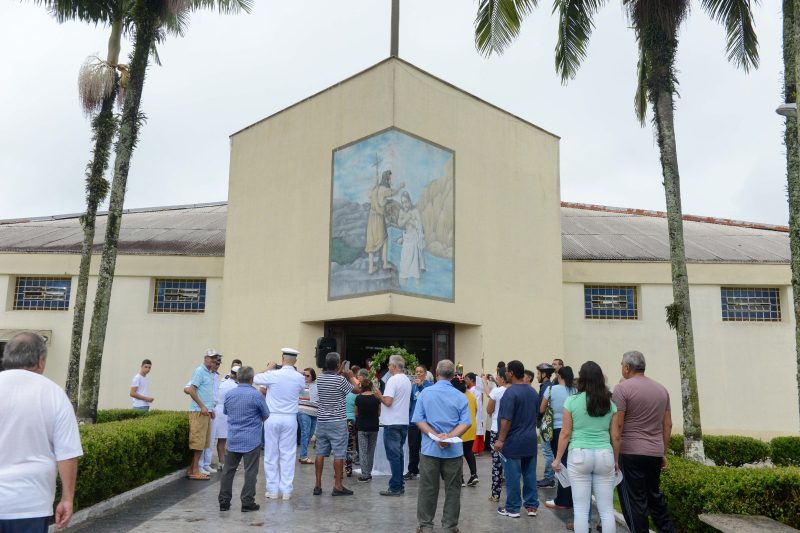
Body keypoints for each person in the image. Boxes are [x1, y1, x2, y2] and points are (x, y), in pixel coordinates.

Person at [0, 332, 83, 531]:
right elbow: (67, 455)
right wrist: (67, 499)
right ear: (40, 361)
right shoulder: (54, 394)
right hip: (30, 504)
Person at [612, 351, 676, 533]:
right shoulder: (661, 390)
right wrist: (663, 452)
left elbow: (618, 427)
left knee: (634, 502)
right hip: (654, 452)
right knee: (655, 498)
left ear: (626, 368)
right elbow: (668, 425)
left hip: (630, 452)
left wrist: (615, 459)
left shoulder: (622, 389)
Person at [553, 361, 619, 533]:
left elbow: (565, 433)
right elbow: (616, 436)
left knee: (581, 511)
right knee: (606, 510)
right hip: (605, 455)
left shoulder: (571, 402)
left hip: (579, 455)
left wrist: (558, 458)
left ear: (581, 378)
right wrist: (616, 461)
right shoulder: (610, 404)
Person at [412, 359, 471, 533]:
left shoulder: (425, 393)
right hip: (453, 451)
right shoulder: (460, 396)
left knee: (427, 488)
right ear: (453, 375)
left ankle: (425, 525)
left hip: (430, 449)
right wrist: (449, 436)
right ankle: (449, 526)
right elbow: (465, 423)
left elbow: (418, 420)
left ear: (436, 373)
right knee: (453, 489)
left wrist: (435, 436)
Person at [253, 347, 306, 500]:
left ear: (282, 358)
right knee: (288, 454)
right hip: (290, 417)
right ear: (295, 360)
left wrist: (268, 368)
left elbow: (255, 378)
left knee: (271, 453)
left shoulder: (273, 374)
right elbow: (301, 391)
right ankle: (286, 490)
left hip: (272, 416)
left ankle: (272, 489)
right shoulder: (299, 377)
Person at [218, 366, 268, 512]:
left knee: (228, 471)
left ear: (238, 378)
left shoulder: (230, 394)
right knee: (250, 472)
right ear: (252, 379)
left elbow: (226, 411)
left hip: (233, 438)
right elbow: (266, 414)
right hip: (251, 439)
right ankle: (247, 502)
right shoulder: (256, 395)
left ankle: (224, 501)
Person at [495, 360, 540, 519]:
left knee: (513, 475)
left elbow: (506, 419)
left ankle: (513, 508)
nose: (505, 373)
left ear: (511, 373)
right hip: (530, 440)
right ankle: (531, 506)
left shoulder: (510, 392)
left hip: (513, 441)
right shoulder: (533, 392)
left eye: (507, 371)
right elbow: (536, 414)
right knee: (530, 475)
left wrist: (500, 440)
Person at [314, 352, 358, 496]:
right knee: (339, 453)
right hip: (337, 420)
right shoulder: (340, 381)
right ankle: (338, 486)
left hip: (322, 420)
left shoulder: (320, 379)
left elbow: (330, 379)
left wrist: (339, 372)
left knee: (320, 452)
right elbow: (357, 390)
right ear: (338, 365)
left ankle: (318, 485)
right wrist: (350, 376)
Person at [374, 354, 412, 496]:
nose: (388, 367)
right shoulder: (406, 380)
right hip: (402, 421)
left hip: (392, 422)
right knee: (399, 455)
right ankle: (399, 483)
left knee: (394, 456)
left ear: (394, 366)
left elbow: (388, 402)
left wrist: (379, 396)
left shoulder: (393, 380)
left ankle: (395, 486)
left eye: (389, 364)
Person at [543, 366, 577, 511]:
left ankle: (562, 499)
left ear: (559, 375)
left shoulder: (551, 389)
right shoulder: (575, 391)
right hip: (573, 430)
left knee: (560, 464)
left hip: (555, 430)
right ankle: (571, 497)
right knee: (570, 463)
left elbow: (541, 409)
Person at [185, 348, 220, 480]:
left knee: (203, 442)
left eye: (214, 358)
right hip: (198, 411)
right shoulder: (200, 371)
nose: (213, 361)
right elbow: (191, 389)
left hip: (206, 412)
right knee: (198, 443)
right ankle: (195, 471)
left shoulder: (211, 373)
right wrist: (202, 406)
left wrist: (210, 409)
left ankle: (193, 469)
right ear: (205, 358)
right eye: (211, 358)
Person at [365, 169, 405, 274]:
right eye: (390, 178)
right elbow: (393, 192)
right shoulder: (384, 189)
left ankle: (370, 268)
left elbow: (369, 195)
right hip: (379, 218)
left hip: (371, 217)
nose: (391, 181)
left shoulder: (375, 189)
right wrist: (401, 186)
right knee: (385, 239)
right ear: (387, 178)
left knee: (371, 241)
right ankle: (385, 263)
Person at [404, 364, 432, 481]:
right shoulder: (413, 386)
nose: (418, 374)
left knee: (425, 446)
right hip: (413, 421)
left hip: (426, 421)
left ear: (425, 374)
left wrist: (421, 387)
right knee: (413, 446)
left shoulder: (429, 386)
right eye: (417, 372)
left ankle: (427, 470)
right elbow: (410, 401)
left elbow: (430, 399)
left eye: (421, 372)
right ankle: (412, 470)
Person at [483, 372, 507, 503]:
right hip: (510, 431)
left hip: (496, 429)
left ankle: (495, 494)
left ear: (503, 378)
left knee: (497, 464)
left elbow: (489, 410)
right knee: (511, 463)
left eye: (498, 376)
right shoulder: (513, 390)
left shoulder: (497, 391)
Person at [452, 377, 478, 487]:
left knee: (458, 454)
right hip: (471, 426)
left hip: (461, 427)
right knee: (468, 452)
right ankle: (474, 475)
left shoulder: (457, 396)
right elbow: (476, 410)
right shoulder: (470, 395)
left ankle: (461, 478)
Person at [396, 190, 426, 288]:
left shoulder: (415, 211)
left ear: (409, 200)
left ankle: (418, 290)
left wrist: (410, 219)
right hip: (406, 241)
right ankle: (404, 289)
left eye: (406, 201)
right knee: (404, 268)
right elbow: (399, 224)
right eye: (402, 202)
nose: (404, 204)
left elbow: (420, 226)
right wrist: (406, 218)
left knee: (415, 270)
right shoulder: (401, 211)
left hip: (414, 242)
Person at [213, 364, 240, 472]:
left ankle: (222, 462)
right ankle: (224, 463)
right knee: (224, 440)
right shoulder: (234, 386)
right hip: (225, 413)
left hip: (219, 412)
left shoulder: (224, 380)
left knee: (221, 440)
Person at [355, 378, 381, 482]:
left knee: (363, 451)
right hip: (374, 426)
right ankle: (369, 472)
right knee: (371, 451)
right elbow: (379, 413)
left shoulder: (359, 398)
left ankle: (365, 473)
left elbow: (356, 413)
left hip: (362, 426)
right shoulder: (376, 398)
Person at [536, 362, 556, 489]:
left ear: (544, 374)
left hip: (545, 424)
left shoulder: (546, 387)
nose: (537, 376)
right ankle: (549, 477)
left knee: (547, 452)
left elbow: (541, 408)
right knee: (549, 451)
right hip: (547, 423)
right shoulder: (546, 386)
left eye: (538, 373)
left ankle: (549, 478)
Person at [200, 356, 223, 473]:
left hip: (214, 409)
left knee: (211, 438)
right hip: (204, 409)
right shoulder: (203, 374)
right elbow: (189, 388)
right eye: (215, 363)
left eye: (218, 364)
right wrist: (203, 406)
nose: (217, 365)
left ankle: (206, 463)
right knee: (203, 439)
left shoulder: (216, 376)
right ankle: (200, 465)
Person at [298, 367, 319, 464]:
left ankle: (303, 454)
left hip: (314, 412)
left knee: (310, 434)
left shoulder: (317, 385)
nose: (305, 377)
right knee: (305, 433)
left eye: (307, 375)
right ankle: (303, 456)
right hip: (303, 411)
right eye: (304, 375)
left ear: (312, 376)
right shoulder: (300, 384)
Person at [465, 372, 485, 456]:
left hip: (475, 411)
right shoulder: (477, 389)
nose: (465, 381)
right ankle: (479, 449)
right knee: (479, 429)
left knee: (476, 430)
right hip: (479, 411)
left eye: (467, 379)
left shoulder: (472, 390)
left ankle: (474, 449)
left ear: (472, 380)